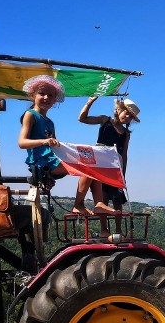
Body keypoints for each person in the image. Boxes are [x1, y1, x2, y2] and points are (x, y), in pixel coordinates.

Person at [18, 75, 115, 216]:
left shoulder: (50, 122)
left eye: (50, 95)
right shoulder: (30, 114)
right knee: (87, 168)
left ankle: (99, 203)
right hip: (42, 161)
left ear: (54, 100)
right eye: (42, 94)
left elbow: (57, 147)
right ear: (33, 95)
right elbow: (22, 143)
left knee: (93, 165)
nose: (46, 98)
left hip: (52, 158)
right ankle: (78, 205)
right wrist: (44, 141)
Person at [78, 96, 140, 234]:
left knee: (117, 200)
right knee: (103, 198)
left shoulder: (126, 133)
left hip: (114, 167)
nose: (128, 116)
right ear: (118, 110)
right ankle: (104, 230)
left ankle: (118, 231)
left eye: (131, 116)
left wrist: (123, 174)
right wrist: (90, 102)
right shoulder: (105, 120)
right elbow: (82, 119)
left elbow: (124, 154)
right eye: (126, 112)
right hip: (100, 166)